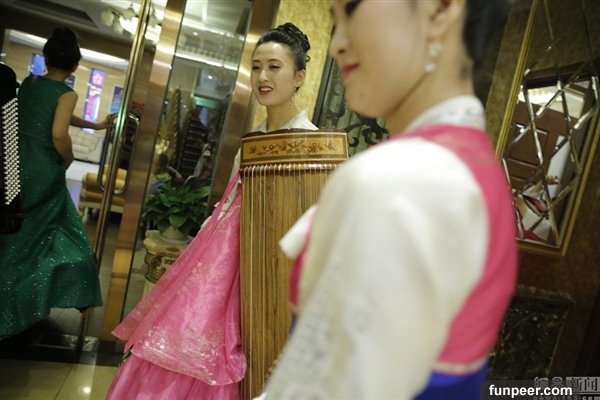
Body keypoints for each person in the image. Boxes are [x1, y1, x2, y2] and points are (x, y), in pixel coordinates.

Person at [260, 1, 517, 399]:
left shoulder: (398, 181)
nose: (337, 44)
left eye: (352, 10)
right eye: (335, 21)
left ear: (439, 11)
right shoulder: (476, 171)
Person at [106, 22, 316, 399]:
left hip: (267, 268)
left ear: (299, 76)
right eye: (256, 67)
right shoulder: (252, 140)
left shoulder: (313, 145)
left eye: (274, 67)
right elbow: (228, 204)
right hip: (221, 262)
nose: (262, 77)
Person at [0, 28, 102, 339]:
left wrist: (95, 124)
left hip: (15, 162)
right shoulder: (67, 94)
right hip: (43, 167)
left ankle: (14, 299)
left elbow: (51, 114)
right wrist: (67, 159)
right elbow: (58, 133)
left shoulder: (30, 83)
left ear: (45, 58)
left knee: (17, 235)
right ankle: (21, 305)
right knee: (46, 239)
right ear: (75, 65)